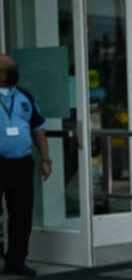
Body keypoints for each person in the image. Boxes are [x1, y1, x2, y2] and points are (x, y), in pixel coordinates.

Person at [0, 55, 52, 277]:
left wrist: (46, 159)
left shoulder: (24, 97)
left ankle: (16, 261)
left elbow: (38, 128)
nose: (14, 71)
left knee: (21, 213)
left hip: (21, 164)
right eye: (9, 68)